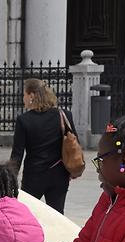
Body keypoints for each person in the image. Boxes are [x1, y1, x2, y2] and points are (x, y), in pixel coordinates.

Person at [9, 78, 77, 214]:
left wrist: (11, 178)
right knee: (57, 215)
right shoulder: (64, 115)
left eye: (24, 94)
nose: (23, 98)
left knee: (27, 214)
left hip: (34, 176)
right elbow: (75, 143)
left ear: (32, 96)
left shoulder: (24, 120)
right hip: (59, 174)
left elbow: (17, 154)